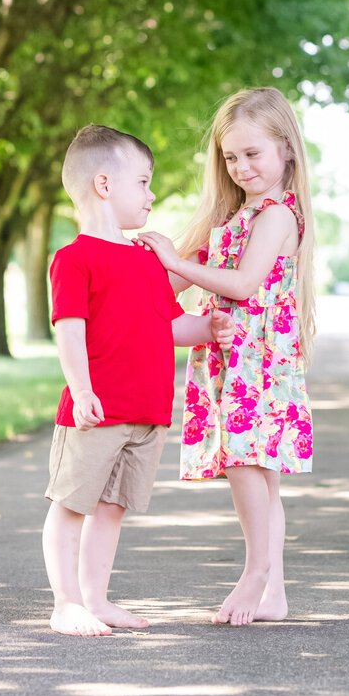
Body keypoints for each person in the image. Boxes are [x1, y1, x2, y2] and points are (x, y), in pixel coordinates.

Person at [43, 122, 236, 637]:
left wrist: (209, 328)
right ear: (104, 185)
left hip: (147, 412)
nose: (151, 196)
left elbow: (171, 325)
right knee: (71, 507)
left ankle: (98, 600)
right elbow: (69, 330)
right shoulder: (73, 259)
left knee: (111, 510)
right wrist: (82, 390)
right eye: (144, 183)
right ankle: (66, 603)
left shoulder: (149, 261)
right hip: (97, 410)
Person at [137, 86, 314, 626]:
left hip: (257, 358)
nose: (239, 166)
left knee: (244, 462)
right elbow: (168, 282)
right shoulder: (237, 214)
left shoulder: (279, 215)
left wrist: (177, 260)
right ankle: (273, 594)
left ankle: (256, 572)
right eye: (230, 156)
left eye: (251, 153)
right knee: (260, 474)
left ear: (286, 148)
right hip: (235, 354)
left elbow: (241, 284)